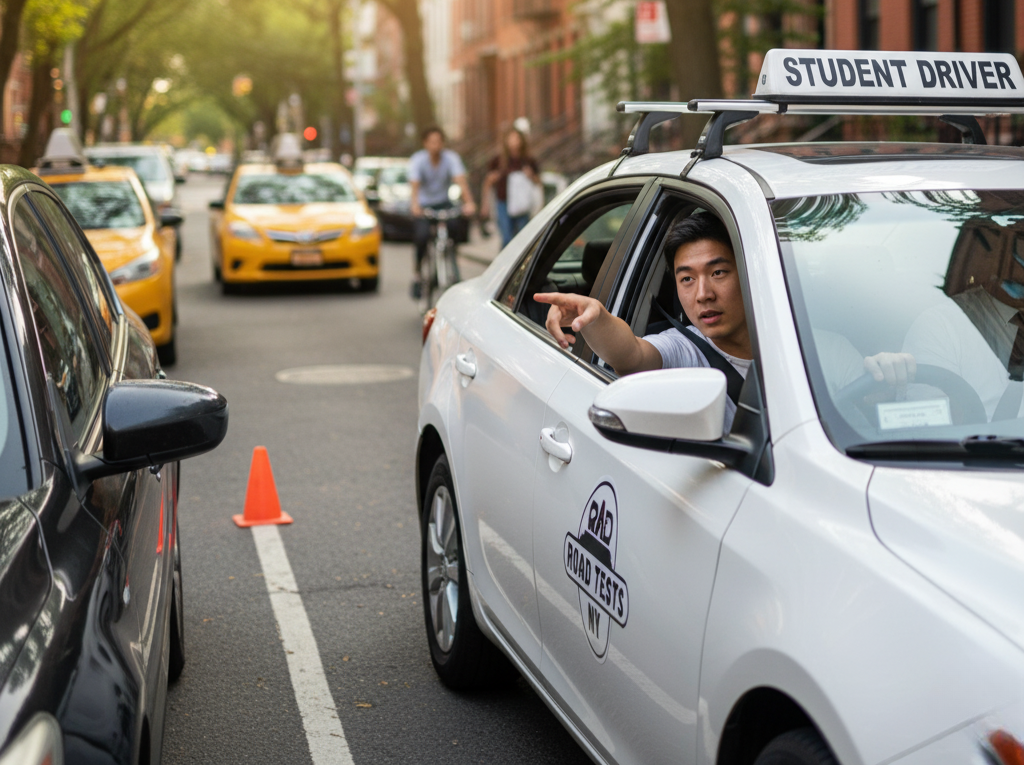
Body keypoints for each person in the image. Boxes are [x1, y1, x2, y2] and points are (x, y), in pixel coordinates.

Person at [536, 212, 913, 432]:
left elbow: (867, 423)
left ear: (749, 274)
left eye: (718, 273)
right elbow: (631, 354)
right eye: (687, 279)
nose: (702, 294)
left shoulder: (823, 349)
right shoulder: (682, 349)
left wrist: (886, 378)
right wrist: (596, 317)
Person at [409, 126, 476, 298]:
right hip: (424, 206)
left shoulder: (451, 158)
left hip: (444, 203)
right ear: (425, 143)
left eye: (439, 142)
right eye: (432, 142)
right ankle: (417, 273)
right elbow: (415, 186)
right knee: (422, 237)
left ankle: (452, 258)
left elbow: (461, 181)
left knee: (456, 226)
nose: (435, 146)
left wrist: (469, 203)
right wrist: (415, 205)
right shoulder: (418, 160)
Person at [480, 128, 540, 248]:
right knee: (506, 237)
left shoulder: (528, 160)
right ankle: (505, 265)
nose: (514, 142)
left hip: (522, 203)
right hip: (503, 202)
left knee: (523, 238)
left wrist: (530, 175)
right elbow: (487, 182)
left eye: (516, 138)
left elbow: (538, 182)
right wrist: (485, 204)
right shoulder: (498, 161)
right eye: (511, 138)